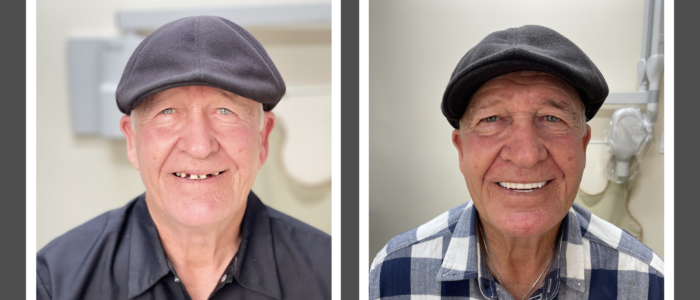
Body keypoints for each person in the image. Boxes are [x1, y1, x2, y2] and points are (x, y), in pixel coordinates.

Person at [37, 16, 331, 300]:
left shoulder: (332, 273)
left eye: (225, 111)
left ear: (263, 138)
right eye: (167, 112)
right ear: (132, 140)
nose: (200, 146)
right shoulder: (54, 282)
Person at [370, 25, 663, 300]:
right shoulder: (393, 275)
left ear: (583, 145)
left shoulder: (647, 282)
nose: (525, 155)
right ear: (461, 150)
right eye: (492, 119)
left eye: (552, 118)